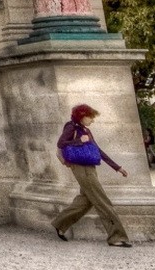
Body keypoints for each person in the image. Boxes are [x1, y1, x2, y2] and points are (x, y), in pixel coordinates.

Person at [49, 103, 132, 248]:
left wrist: (117, 167)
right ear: (82, 116)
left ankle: (60, 223)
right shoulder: (71, 127)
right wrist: (79, 141)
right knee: (102, 201)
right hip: (81, 168)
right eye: (90, 117)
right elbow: (61, 143)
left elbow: (97, 150)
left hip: (90, 167)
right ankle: (116, 237)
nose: (92, 120)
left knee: (86, 200)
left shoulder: (86, 129)